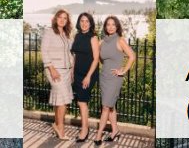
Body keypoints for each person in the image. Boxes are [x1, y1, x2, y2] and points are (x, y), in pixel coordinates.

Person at [96, 16, 134, 143]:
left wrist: (123, 70)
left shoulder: (120, 40)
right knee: (111, 106)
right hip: (104, 77)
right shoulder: (101, 42)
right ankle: (115, 130)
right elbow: (100, 59)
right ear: (105, 27)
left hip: (114, 78)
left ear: (117, 27)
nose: (111, 27)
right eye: (108, 24)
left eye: (113, 24)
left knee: (105, 107)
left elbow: (132, 56)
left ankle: (99, 135)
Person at [41, 9, 73, 140]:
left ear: (67, 21)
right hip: (54, 69)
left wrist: (71, 68)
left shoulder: (66, 34)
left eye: (65, 18)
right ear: (55, 18)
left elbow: (69, 53)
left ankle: (56, 124)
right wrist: (51, 68)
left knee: (60, 100)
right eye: (60, 17)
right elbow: (44, 51)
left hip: (66, 71)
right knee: (63, 100)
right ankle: (61, 129)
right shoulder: (49, 32)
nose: (62, 20)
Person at [72, 13, 101, 142]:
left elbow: (96, 59)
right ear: (79, 23)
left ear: (90, 23)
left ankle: (85, 130)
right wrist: (72, 72)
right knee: (80, 101)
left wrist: (88, 76)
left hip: (89, 74)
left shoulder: (93, 38)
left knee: (82, 102)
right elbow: (75, 56)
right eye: (82, 21)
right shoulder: (77, 36)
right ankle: (85, 128)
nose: (84, 23)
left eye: (87, 21)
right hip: (77, 73)